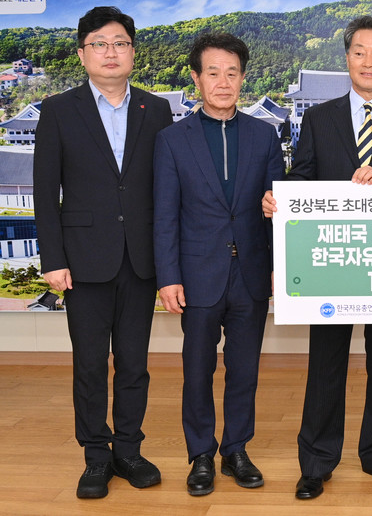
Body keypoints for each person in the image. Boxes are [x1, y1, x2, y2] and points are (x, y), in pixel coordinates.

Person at [262, 15, 372, 500]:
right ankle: (316, 461)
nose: (368, 61)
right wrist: (279, 197)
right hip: (331, 260)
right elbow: (302, 177)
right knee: (326, 361)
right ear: (347, 59)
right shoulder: (319, 118)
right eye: (359, 52)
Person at [32, 6, 173, 499]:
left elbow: (165, 187)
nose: (110, 52)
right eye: (99, 44)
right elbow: (44, 191)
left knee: (134, 363)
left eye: (120, 43)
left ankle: (128, 450)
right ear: (82, 54)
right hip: (82, 259)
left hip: (140, 258)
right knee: (90, 364)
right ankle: (95, 456)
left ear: (133, 52)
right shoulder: (58, 109)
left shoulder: (156, 109)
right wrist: (53, 259)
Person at [153, 32, 283, 496]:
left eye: (232, 73)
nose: (223, 82)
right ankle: (201, 454)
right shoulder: (172, 140)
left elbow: (278, 207)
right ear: (196, 78)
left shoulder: (264, 135)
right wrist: (168, 276)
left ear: (243, 78)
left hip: (251, 273)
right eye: (213, 73)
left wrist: (278, 264)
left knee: (244, 369)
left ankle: (236, 450)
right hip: (197, 274)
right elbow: (164, 214)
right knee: (197, 370)